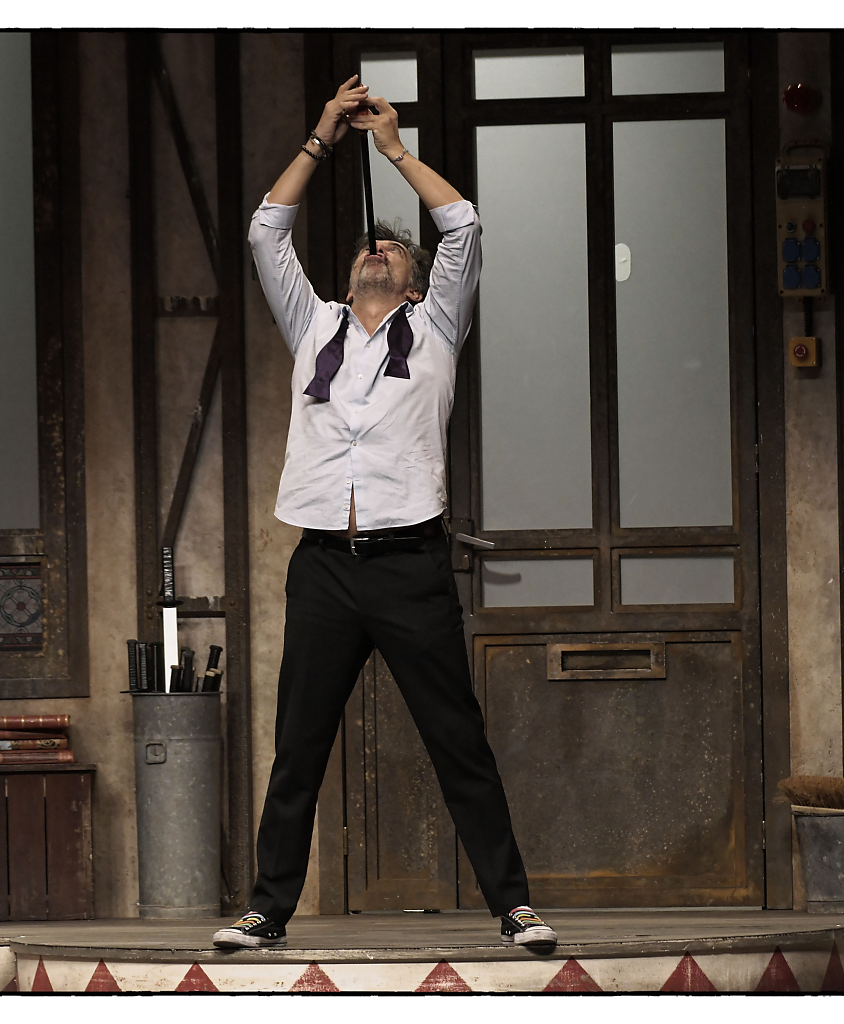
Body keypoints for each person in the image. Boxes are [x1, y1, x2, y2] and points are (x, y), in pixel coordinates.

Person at [212, 77, 555, 950]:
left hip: (409, 562)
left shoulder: (435, 326)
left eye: (392, 250)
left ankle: (513, 905)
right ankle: (267, 910)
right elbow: (265, 231)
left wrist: (393, 149)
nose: (376, 251)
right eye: (368, 247)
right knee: (298, 744)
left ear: (412, 282)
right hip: (324, 563)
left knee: (455, 738)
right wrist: (323, 136)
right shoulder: (313, 325)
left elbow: (463, 225)